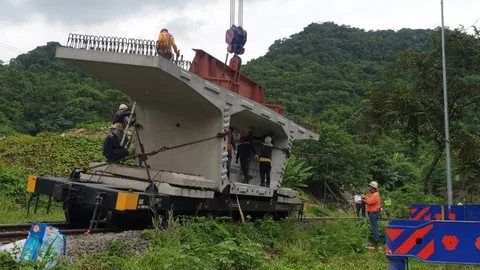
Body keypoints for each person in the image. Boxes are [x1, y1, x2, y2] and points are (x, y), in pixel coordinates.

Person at [362, 181, 381, 248]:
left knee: (374, 227)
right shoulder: (372, 194)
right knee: (373, 227)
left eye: (370, 186)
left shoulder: (375, 194)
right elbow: (368, 198)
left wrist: (364, 199)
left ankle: (376, 242)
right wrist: (365, 198)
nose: (369, 188)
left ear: (373, 187)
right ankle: (375, 241)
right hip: (372, 212)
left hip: (374, 213)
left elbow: (370, 202)